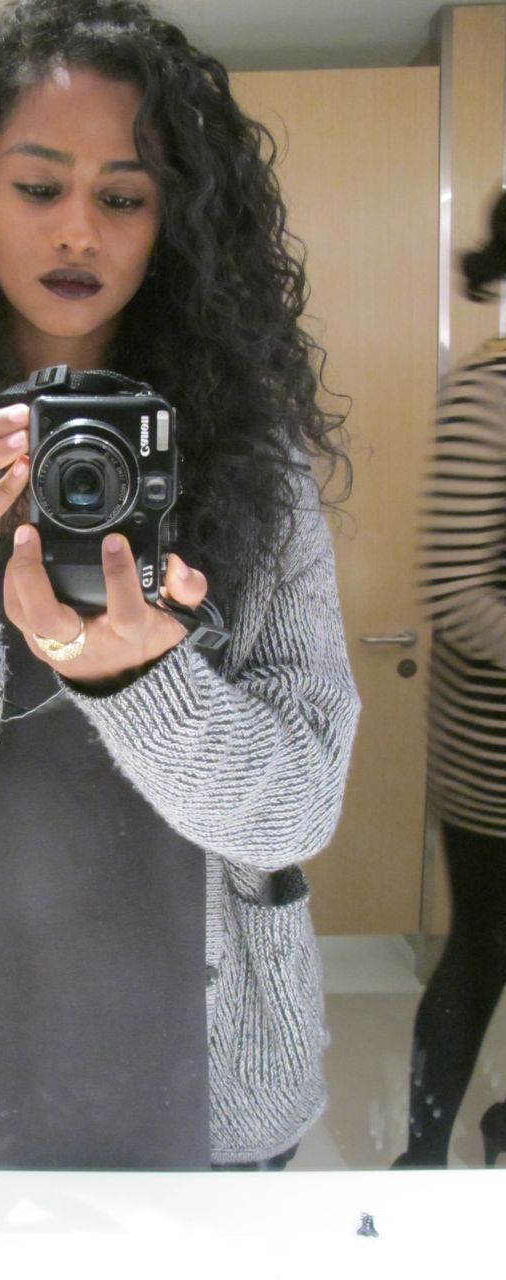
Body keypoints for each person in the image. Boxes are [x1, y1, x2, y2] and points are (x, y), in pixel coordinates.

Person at [0, 0, 359, 1171]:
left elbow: (301, 809)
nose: (78, 230)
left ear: (171, 221)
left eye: (123, 197)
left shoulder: (252, 467)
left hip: (209, 1077)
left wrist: (146, 679)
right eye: (38, 187)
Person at [394, 189, 506, 1169]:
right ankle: (420, 1159)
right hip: (496, 767)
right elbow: (454, 587)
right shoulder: (491, 392)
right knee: (482, 954)